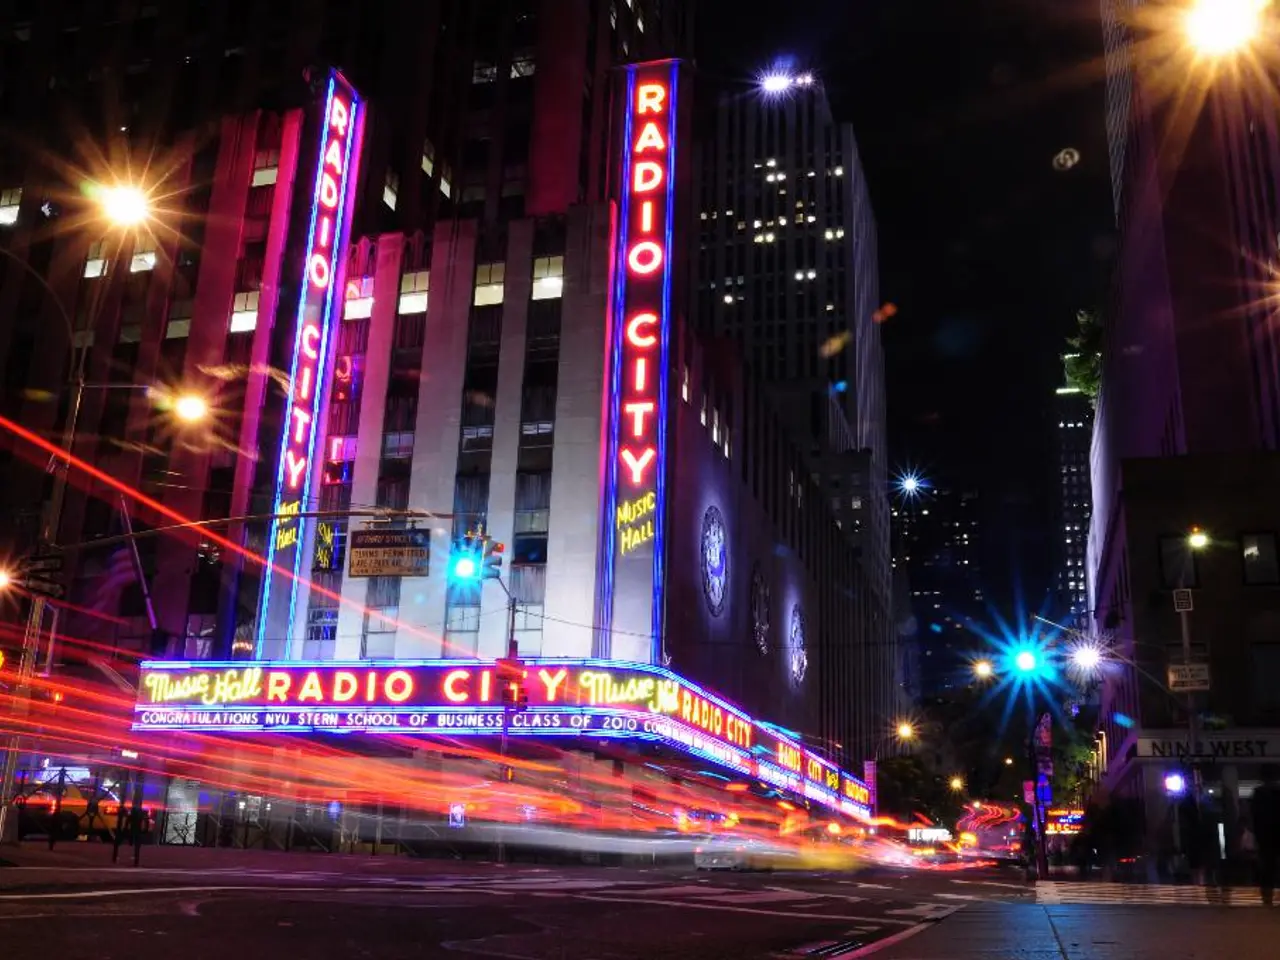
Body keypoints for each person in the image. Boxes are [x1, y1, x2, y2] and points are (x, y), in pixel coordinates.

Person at [1251, 768, 1280, 906]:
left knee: (1267, 869)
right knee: (1271, 867)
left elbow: (1255, 817)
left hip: (1265, 837)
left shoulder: (1258, 794)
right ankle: (1268, 897)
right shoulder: (1276, 793)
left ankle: (1267, 899)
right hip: (1274, 835)